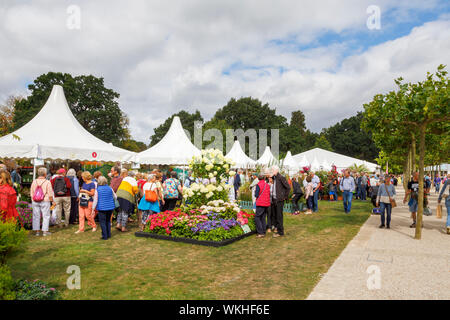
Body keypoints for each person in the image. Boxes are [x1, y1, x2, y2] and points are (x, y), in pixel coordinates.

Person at [30, 167, 54, 236]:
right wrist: (52, 201)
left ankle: (37, 231)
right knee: (46, 216)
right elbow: (50, 193)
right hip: (45, 200)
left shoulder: (34, 181)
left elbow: (31, 191)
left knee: (36, 215)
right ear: (45, 174)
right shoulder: (47, 182)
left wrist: (32, 199)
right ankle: (45, 231)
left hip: (35, 200)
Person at [269, 166, 290, 237]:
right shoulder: (275, 177)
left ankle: (280, 232)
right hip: (275, 199)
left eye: (272, 170)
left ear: (276, 170)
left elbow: (288, 187)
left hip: (279, 200)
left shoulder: (281, 177)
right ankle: (278, 230)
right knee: (276, 216)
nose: (271, 171)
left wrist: (285, 197)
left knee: (279, 216)